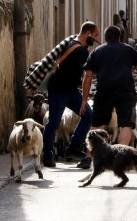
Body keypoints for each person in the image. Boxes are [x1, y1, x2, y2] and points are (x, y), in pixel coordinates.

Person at [81, 26, 137, 148]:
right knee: (126, 124)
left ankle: (89, 157)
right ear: (120, 37)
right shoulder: (129, 50)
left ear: (105, 37)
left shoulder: (97, 51)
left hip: (104, 91)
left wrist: (84, 99)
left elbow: (87, 77)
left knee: (97, 124)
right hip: (126, 92)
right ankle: (121, 153)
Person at [42, 21, 99, 168]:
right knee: (54, 122)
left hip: (71, 90)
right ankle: (47, 155)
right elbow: (87, 74)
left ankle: (74, 147)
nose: (95, 39)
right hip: (59, 90)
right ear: (88, 34)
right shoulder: (81, 51)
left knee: (87, 115)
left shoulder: (71, 42)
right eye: (95, 36)